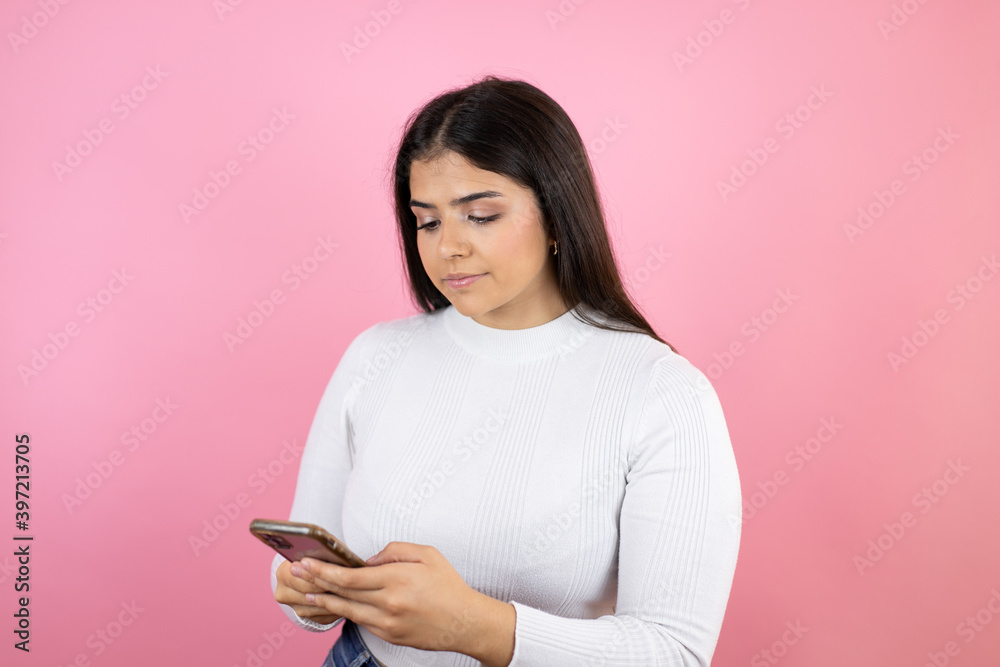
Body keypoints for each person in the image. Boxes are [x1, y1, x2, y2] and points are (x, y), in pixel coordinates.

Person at [269, 75, 742, 667]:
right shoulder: (375, 356)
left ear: (556, 214)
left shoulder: (662, 393)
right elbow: (305, 561)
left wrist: (474, 626)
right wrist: (306, 594)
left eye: (482, 216)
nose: (449, 248)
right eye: (428, 221)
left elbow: (673, 652)